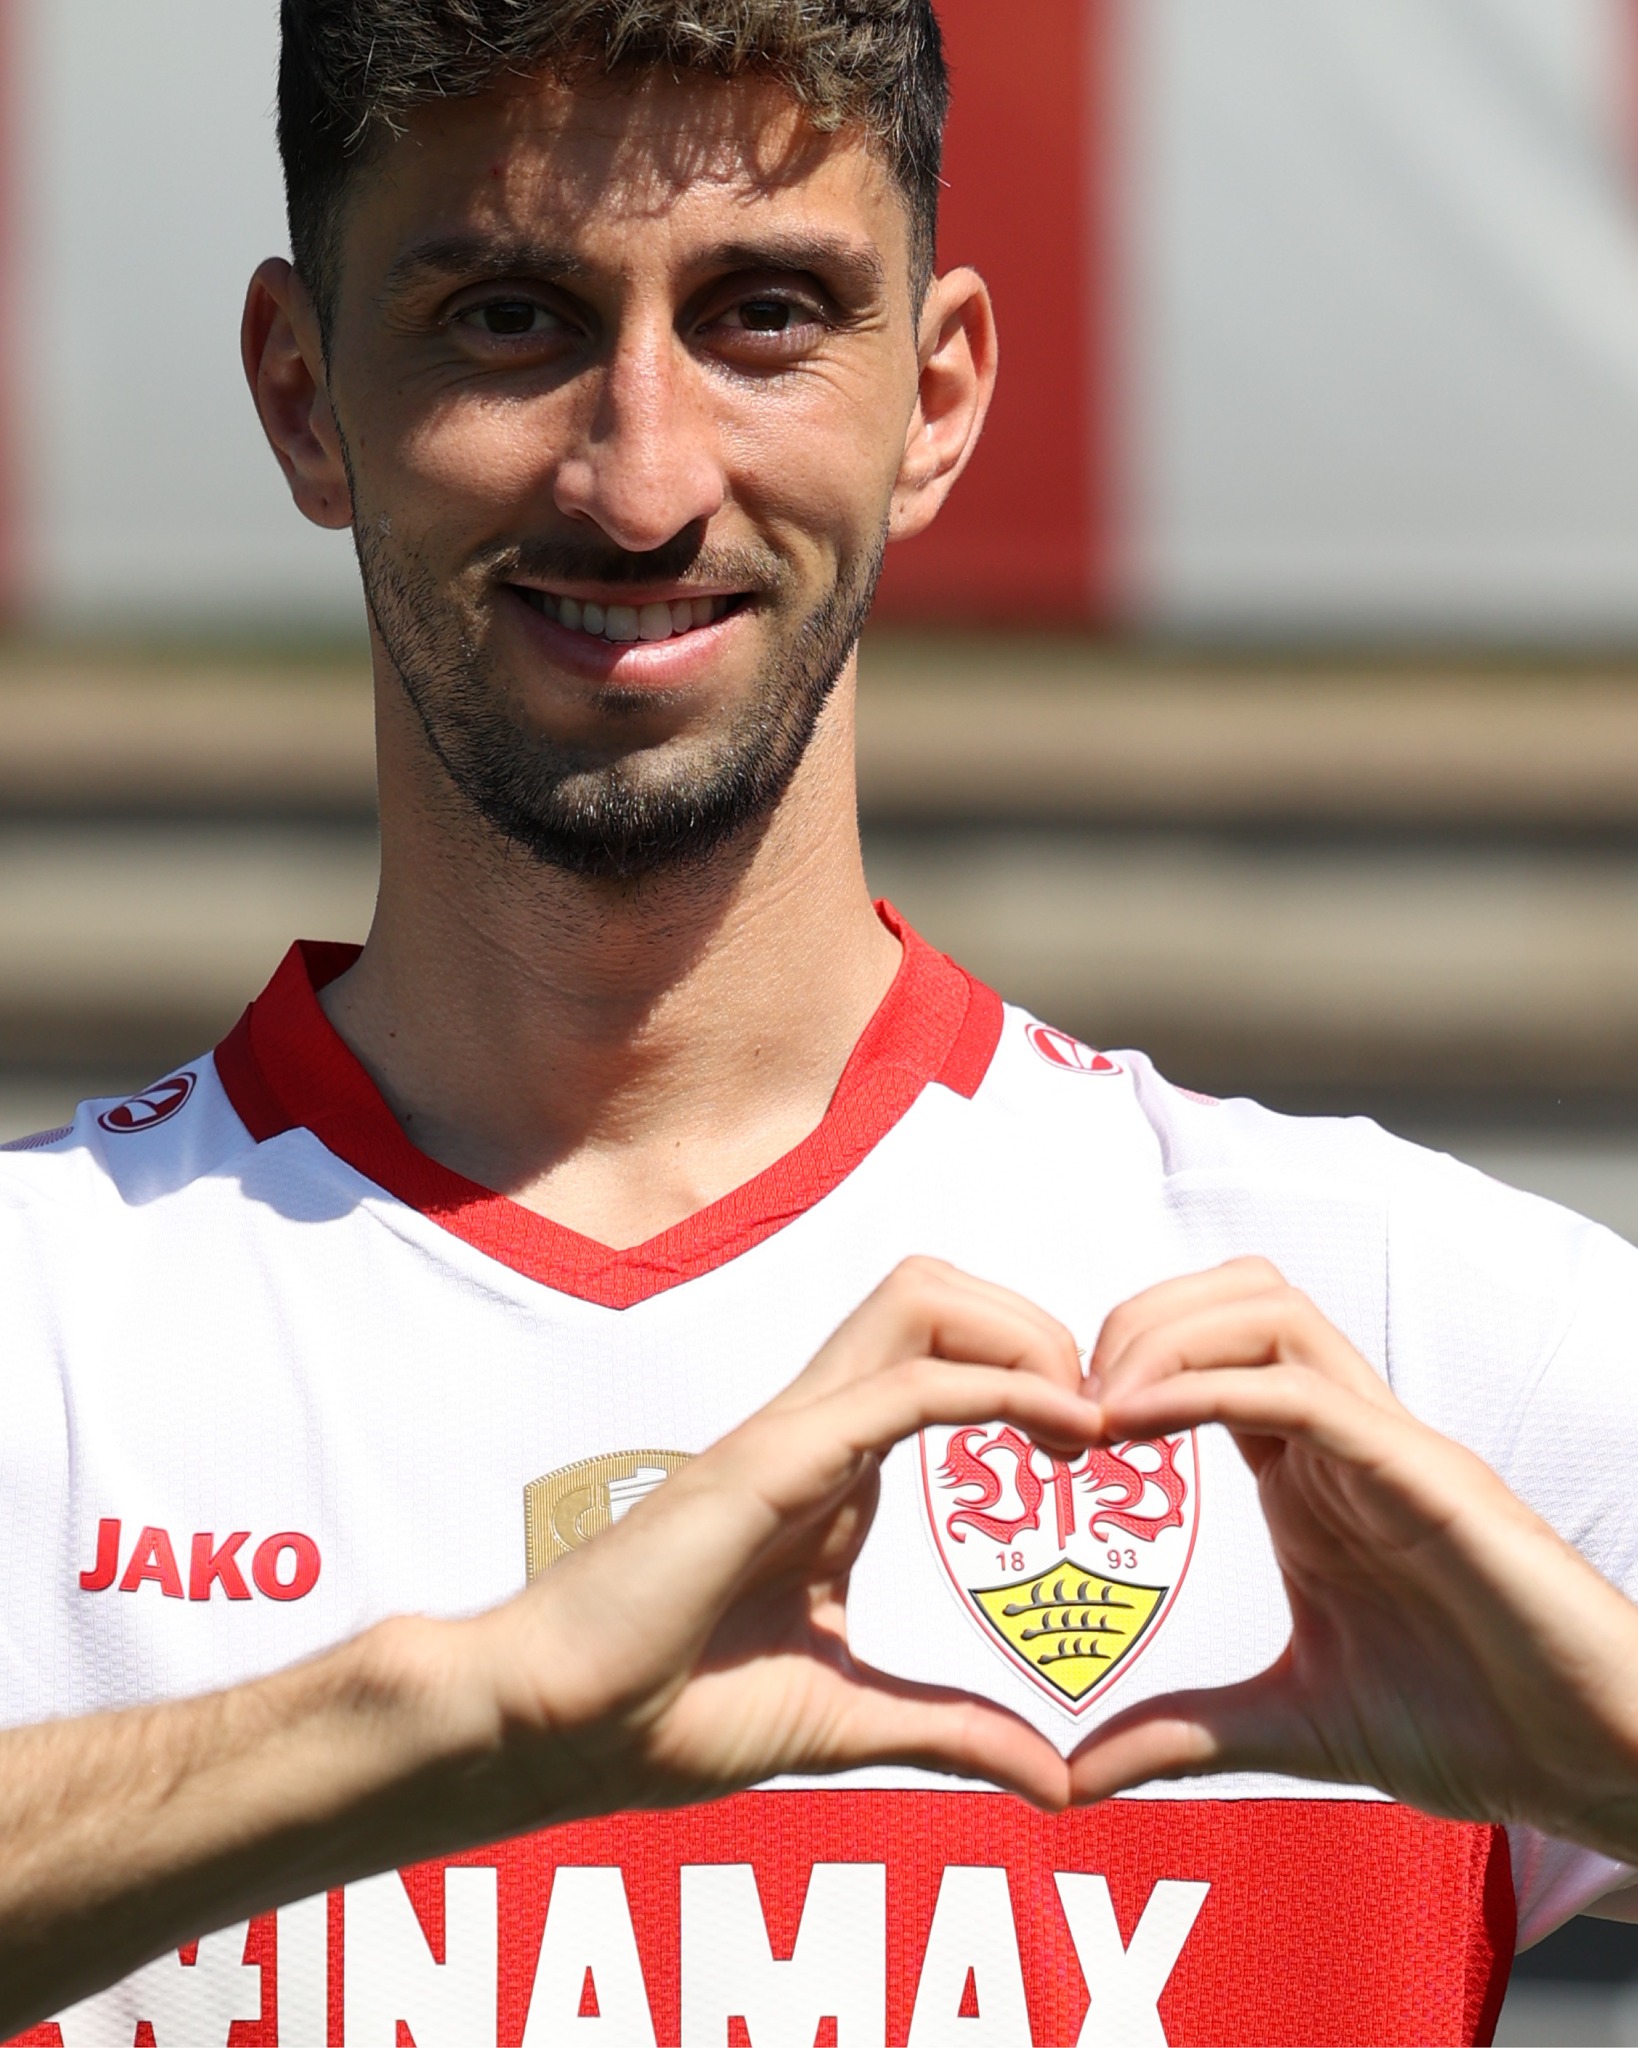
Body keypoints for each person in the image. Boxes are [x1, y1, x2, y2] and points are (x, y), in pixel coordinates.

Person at [6, 2, 1638, 2041]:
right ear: (301, 393)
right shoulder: (35, 1340)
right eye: (509, 320)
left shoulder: (1422, 1341)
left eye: (762, 317)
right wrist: (455, 1716)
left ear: (935, 397)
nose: (642, 482)